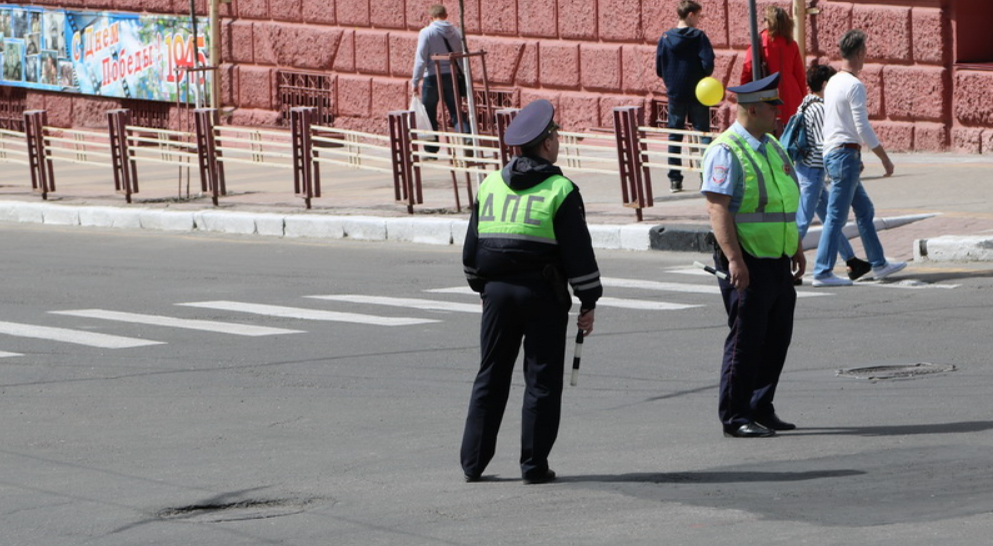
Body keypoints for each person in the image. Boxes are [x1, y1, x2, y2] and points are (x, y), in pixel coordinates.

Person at [460, 99, 602, 484]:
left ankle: (473, 462)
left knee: (491, 374)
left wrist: (483, 288)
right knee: (541, 380)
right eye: (555, 134)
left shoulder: (490, 184)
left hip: (497, 294)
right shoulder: (561, 189)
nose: (558, 140)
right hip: (543, 294)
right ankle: (533, 466)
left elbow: (472, 251)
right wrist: (589, 299)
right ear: (546, 143)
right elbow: (578, 253)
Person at [701, 72, 805, 438]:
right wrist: (734, 260)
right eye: (773, 107)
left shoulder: (772, 146)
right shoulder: (726, 151)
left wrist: (795, 247)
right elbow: (719, 209)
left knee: (777, 336)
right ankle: (735, 415)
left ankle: (761, 405)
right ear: (755, 108)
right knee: (746, 339)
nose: (779, 113)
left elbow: (781, 201)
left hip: (776, 256)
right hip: (746, 259)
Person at [811, 29, 905, 286]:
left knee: (864, 210)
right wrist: (884, 158)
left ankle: (879, 264)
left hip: (838, 153)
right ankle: (822, 271)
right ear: (860, 53)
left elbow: (838, 124)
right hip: (844, 155)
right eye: (865, 51)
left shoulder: (832, 83)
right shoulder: (854, 85)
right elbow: (861, 126)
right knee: (836, 217)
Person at [794, 64, 872, 283]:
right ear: (826, 85)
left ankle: (851, 261)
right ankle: (783, 266)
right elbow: (823, 141)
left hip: (810, 169)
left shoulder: (805, 103)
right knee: (803, 222)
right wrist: (839, 160)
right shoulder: (819, 108)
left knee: (831, 218)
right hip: (813, 172)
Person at [656, 0, 715, 193]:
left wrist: (672, 80)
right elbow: (708, 63)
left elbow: (659, 68)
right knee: (703, 135)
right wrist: (700, 76)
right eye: (698, 16)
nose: (699, 20)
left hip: (675, 93)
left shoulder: (665, 38)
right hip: (699, 92)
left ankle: (675, 180)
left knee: (675, 136)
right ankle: (705, 177)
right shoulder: (699, 37)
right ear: (690, 15)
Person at [411, 4, 467, 155]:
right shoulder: (456, 32)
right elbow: (461, 56)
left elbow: (421, 59)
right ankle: (468, 140)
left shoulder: (426, 32)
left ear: (430, 17)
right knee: (456, 110)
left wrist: (415, 81)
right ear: (446, 15)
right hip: (452, 76)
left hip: (432, 77)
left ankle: (431, 149)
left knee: (429, 112)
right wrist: (464, 76)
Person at [740, 5, 807, 124]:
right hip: (792, 95)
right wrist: (804, 99)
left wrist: (742, 93)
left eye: (765, 19)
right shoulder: (791, 43)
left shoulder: (760, 40)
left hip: (768, 92)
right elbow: (800, 76)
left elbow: (748, 67)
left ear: (769, 21)